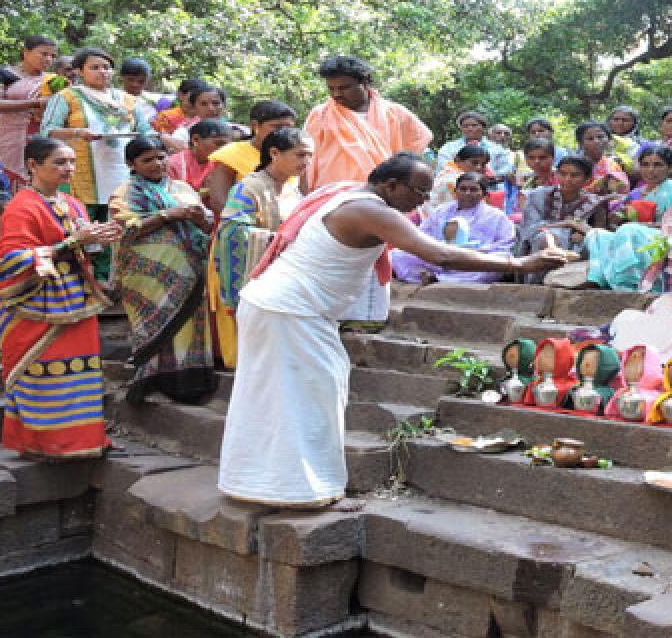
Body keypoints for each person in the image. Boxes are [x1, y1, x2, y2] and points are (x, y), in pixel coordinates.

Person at [217, 153, 567, 507]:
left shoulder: (348, 195)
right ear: (391, 186)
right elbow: (439, 255)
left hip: (276, 305)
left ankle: (258, 483)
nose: (422, 202)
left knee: (279, 395)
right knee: (308, 397)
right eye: (419, 192)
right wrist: (517, 262)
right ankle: (297, 490)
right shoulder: (371, 211)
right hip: (289, 310)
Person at [0, 137, 122, 459]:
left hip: (75, 300)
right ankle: (42, 443)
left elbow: (79, 245)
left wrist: (96, 240)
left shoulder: (71, 202)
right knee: (42, 370)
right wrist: (71, 242)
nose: (69, 169)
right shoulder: (22, 207)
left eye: (72, 162)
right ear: (33, 165)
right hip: (36, 304)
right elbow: (11, 261)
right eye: (59, 163)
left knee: (81, 372)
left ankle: (82, 441)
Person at [110, 136, 216, 404]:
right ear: (130, 164)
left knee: (189, 327)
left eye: (161, 157)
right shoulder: (125, 192)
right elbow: (125, 229)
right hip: (147, 275)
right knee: (155, 325)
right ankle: (154, 381)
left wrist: (199, 217)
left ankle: (189, 383)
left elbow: (206, 224)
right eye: (147, 160)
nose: (157, 164)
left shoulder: (181, 188)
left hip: (188, 269)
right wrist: (170, 215)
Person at [40, 46, 154, 279]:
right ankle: (85, 279)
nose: (102, 72)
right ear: (80, 71)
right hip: (82, 172)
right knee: (85, 224)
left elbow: (145, 132)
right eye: (94, 67)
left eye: (106, 67)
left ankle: (116, 279)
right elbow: (48, 131)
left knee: (119, 223)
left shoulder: (127, 100)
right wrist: (78, 132)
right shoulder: (67, 97)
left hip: (121, 170)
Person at [210, 128, 309, 365]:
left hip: (283, 276)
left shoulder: (292, 189)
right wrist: (278, 240)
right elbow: (232, 230)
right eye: (300, 155)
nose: (306, 162)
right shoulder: (250, 188)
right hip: (253, 276)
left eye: (309, 156)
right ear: (274, 153)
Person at [303, 55, 431, 188]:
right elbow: (306, 163)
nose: (336, 94)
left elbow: (415, 152)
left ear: (364, 82)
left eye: (343, 88)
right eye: (331, 89)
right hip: (331, 196)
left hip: (384, 195)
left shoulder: (395, 113)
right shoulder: (319, 115)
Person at [584, 146, 672, 291]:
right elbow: (617, 224)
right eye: (645, 164)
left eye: (657, 165)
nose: (651, 170)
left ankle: (630, 281)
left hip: (667, 239)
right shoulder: (635, 194)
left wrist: (647, 226)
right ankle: (598, 279)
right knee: (597, 234)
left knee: (630, 229)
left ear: (669, 168)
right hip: (633, 235)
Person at [392, 172, 516, 284]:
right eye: (463, 189)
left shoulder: (497, 216)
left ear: (484, 194)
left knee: (498, 262)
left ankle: (437, 279)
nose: (467, 193)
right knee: (397, 255)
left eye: (473, 190)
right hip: (440, 257)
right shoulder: (441, 211)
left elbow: (505, 243)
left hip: (474, 261)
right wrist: (439, 249)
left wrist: (478, 251)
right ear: (455, 192)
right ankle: (431, 276)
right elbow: (423, 235)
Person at [0, 35, 59, 191]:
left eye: (52, 56)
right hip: (10, 137)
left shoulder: (52, 81)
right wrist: (36, 102)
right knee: (11, 178)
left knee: (40, 174)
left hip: (42, 137)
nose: (48, 59)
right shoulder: (1, 74)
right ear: (25, 52)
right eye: (43, 54)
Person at [518, 156, 608, 283]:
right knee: (545, 239)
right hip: (538, 244)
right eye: (563, 174)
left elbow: (599, 235)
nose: (567, 179)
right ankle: (534, 285)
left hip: (578, 250)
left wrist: (584, 235)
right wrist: (568, 226)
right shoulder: (538, 196)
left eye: (575, 175)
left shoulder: (596, 203)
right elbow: (529, 227)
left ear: (587, 179)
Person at [203, 100, 297, 216]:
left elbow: (304, 194)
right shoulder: (231, 154)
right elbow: (219, 202)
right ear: (255, 126)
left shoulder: (297, 154)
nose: (283, 133)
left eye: (289, 128)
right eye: (276, 127)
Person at [436, 110, 513, 180]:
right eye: (465, 126)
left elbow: (506, 170)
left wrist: (492, 176)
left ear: (483, 128)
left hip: (490, 188)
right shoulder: (449, 148)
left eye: (474, 125)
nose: (469, 129)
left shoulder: (496, 149)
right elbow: (444, 167)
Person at [166, 119, 232, 190]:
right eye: (219, 144)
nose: (225, 149)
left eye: (228, 146)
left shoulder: (224, 163)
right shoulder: (172, 164)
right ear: (196, 140)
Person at [575, 120, 629, 195]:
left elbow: (620, 191)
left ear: (608, 140)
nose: (596, 141)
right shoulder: (574, 165)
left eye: (600, 137)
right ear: (581, 144)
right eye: (590, 138)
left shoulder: (614, 164)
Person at [429, 144, 489, 210]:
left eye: (483, 164)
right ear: (458, 160)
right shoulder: (453, 180)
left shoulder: (449, 171)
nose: (479, 168)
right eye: (474, 162)